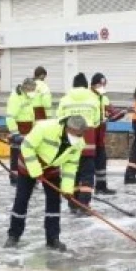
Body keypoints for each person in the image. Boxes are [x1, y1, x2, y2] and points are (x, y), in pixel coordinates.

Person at [4, 115, 88, 252]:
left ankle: (53, 238)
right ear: (68, 128)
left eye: (81, 134)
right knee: (22, 199)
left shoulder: (78, 143)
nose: (80, 137)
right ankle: (13, 235)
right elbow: (27, 147)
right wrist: (35, 170)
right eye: (77, 134)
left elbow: (70, 166)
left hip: (51, 168)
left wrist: (67, 189)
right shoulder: (45, 127)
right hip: (28, 164)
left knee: (54, 201)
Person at [56, 74, 102, 213]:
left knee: (72, 172)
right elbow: (97, 121)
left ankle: (73, 203)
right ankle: (84, 204)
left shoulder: (65, 99)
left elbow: (59, 119)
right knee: (87, 173)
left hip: (70, 139)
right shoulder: (93, 99)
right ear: (86, 85)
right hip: (87, 139)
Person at [90, 73, 125, 196]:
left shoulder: (104, 98)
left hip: (100, 137)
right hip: (88, 137)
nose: (102, 87)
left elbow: (112, 112)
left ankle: (101, 187)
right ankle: (84, 190)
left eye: (104, 85)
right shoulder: (88, 98)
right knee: (87, 165)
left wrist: (119, 113)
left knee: (101, 161)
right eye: (100, 84)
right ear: (93, 85)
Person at [5, 78, 37, 187]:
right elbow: (10, 117)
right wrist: (15, 133)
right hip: (19, 129)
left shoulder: (27, 96)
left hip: (28, 129)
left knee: (27, 154)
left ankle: (26, 176)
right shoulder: (16, 97)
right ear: (27, 87)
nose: (34, 91)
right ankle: (14, 178)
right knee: (16, 155)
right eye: (32, 89)